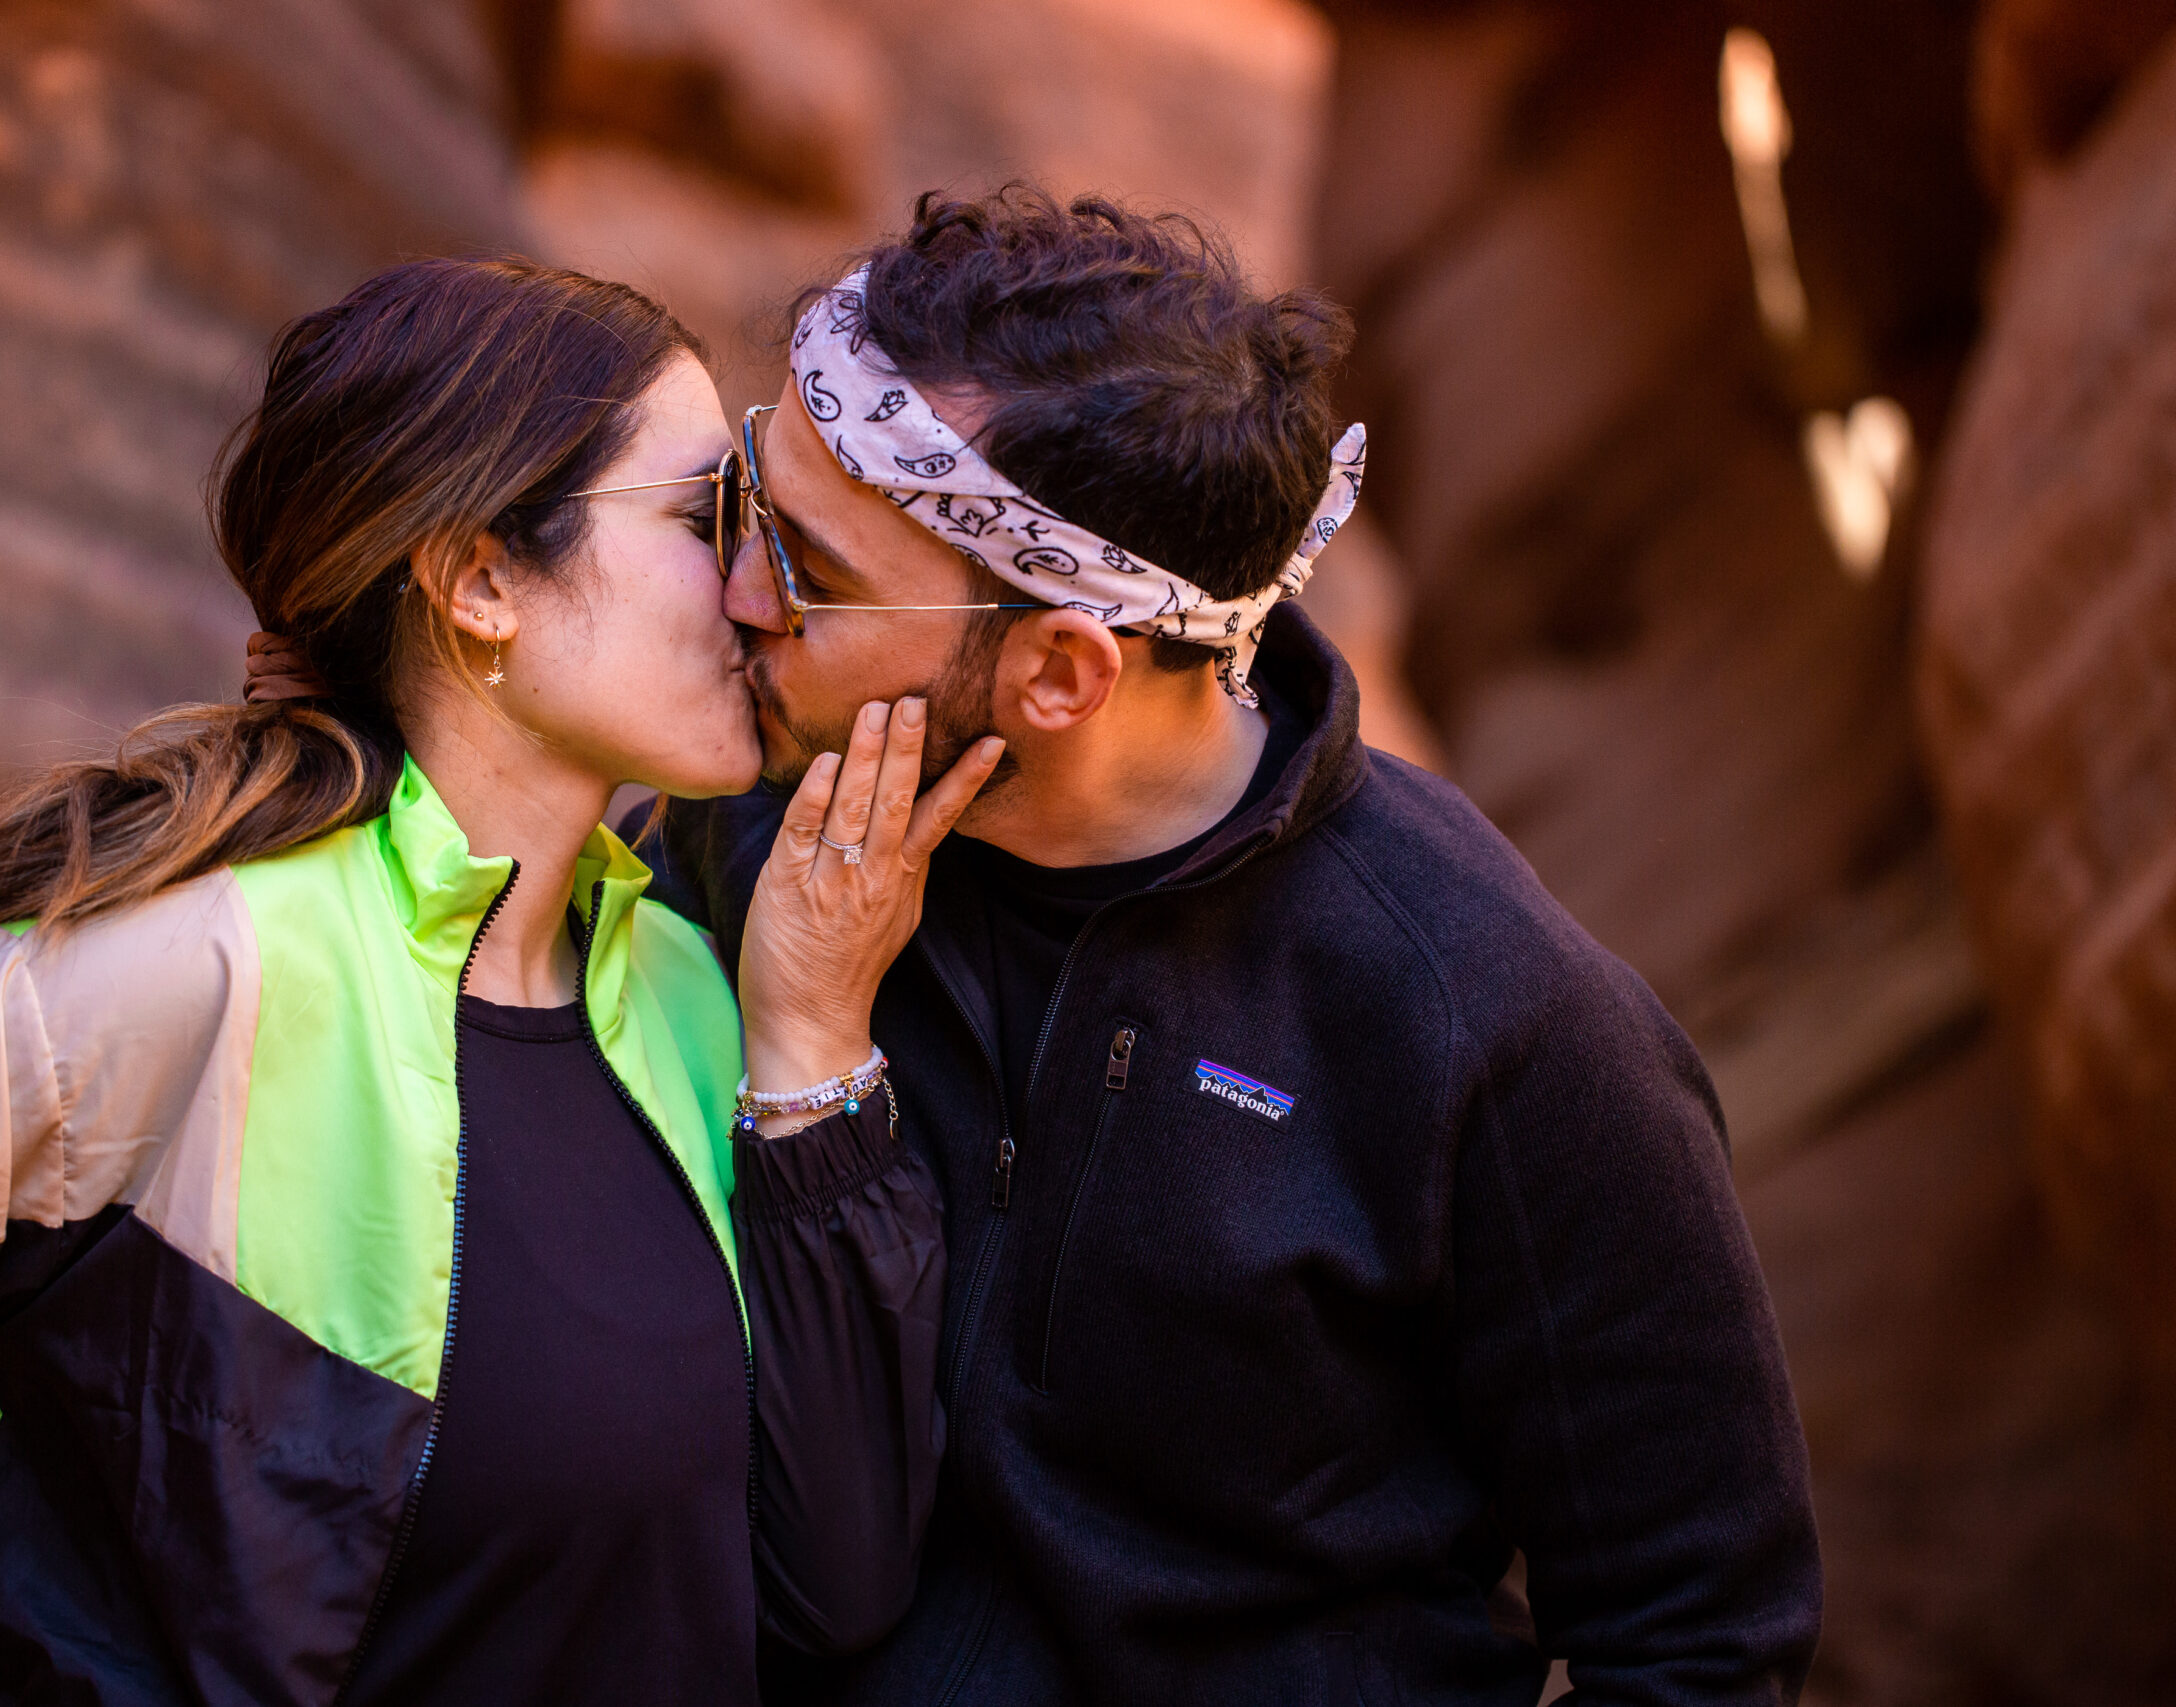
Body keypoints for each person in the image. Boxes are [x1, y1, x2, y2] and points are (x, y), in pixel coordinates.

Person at [0, 257, 1003, 1706]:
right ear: (479, 582)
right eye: (706, 517)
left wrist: (811, 1043)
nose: (752, 586)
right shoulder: (179, 975)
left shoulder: (696, 988)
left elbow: (834, 1593)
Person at [624, 189, 1826, 1705]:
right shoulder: (734, 839)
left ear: (1061, 672)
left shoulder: (1490, 1018)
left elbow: (1702, 1638)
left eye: (809, 574)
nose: (731, 598)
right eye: (743, 503)